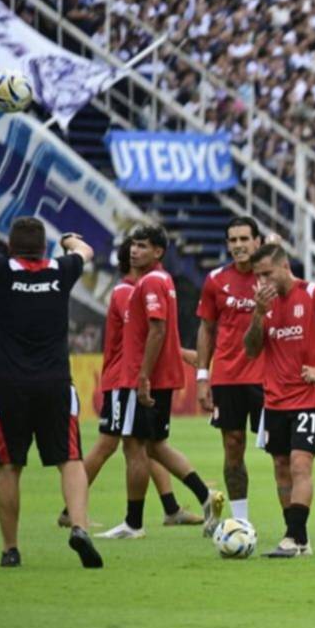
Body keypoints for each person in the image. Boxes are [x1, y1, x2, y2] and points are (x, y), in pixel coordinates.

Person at [0, 214, 103, 568]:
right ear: (43, 247)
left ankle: (10, 549)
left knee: (9, 465)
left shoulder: (0, 270)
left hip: (10, 384)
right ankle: (79, 527)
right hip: (55, 382)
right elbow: (85, 250)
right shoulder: (61, 271)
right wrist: (67, 240)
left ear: (10, 246)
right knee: (70, 459)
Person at [59, 238, 201, 529]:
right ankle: (69, 511)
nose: (138, 253)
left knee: (143, 443)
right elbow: (147, 335)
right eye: (135, 249)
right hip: (122, 378)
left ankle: (171, 508)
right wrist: (183, 354)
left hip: (128, 375)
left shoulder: (140, 288)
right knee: (110, 445)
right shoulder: (127, 292)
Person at [99, 226, 224, 540]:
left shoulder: (152, 281)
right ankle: (205, 496)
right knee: (155, 446)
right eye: (133, 245)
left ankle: (133, 523)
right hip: (157, 377)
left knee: (133, 447)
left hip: (142, 378)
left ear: (158, 252)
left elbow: (157, 329)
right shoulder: (161, 280)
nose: (134, 250)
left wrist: (142, 375)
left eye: (142, 246)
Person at [243, 243, 315, 556]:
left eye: (267, 274)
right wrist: (257, 314)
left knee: (299, 465)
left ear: (285, 266)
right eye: (258, 276)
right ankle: (299, 539)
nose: (262, 282)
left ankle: (292, 538)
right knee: (280, 467)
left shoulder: (314, 294)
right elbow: (251, 349)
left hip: (307, 399)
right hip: (273, 400)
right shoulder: (263, 305)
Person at [196, 216, 265, 521]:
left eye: (244, 239)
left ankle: (294, 529)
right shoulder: (215, 280)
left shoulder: (271, 277)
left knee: (282, 454)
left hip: (267, 377)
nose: (238, 245)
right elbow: (206, 329)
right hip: (228, 377)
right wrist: (202, 376)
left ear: (257, 242)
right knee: (233, 447)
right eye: (233, 240)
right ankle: (240, 521)